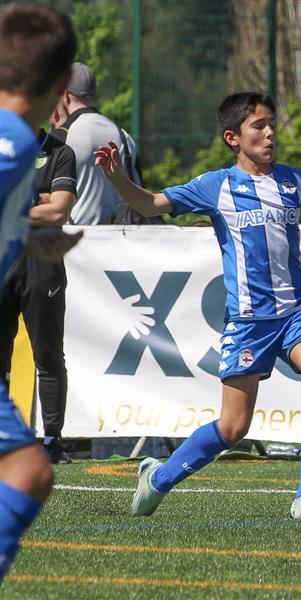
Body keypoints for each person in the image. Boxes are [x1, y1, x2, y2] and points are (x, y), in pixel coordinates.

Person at [94, 91, 301, 521]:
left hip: (299, 311)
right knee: (233, 428)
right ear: (232, 137)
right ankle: (158, 478)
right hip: (248, 322)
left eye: (271, 123)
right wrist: (115, 178)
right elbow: (150, 203)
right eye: (258, 125)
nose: (270, 132)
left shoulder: (296, 181)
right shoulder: (215, 186)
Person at [0, 3, 78, 582]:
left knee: (29, 470)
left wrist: (26, 239)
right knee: (27, 471)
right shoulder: (12, 144)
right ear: (59, 85)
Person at [0, 121, 77, 465]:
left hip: (42, 264)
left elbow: (59, 210)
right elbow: (45, 208)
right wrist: (36, 205)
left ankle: (52, 440)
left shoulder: (60, 152)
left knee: (47, 354)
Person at [52, 62, 152, 224]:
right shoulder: (124, 136)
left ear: (65, 95)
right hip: (122, 241)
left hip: (75, 241)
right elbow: (142, 197)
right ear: (93, 95)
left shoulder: (61, 136)